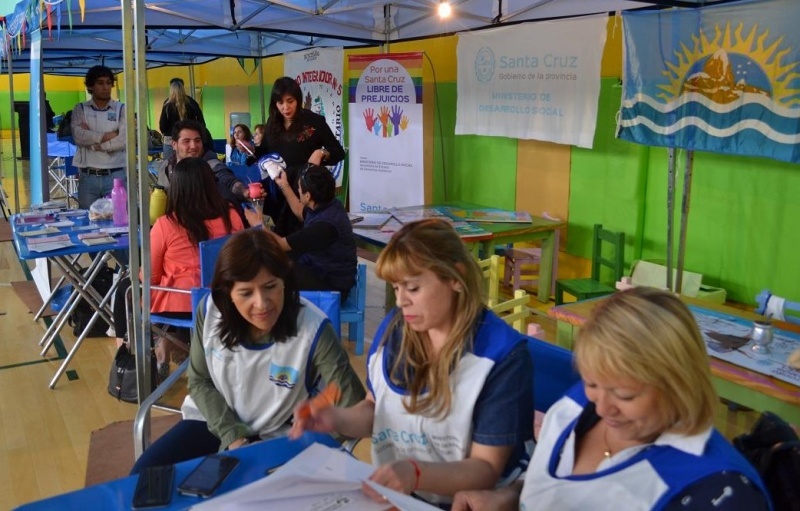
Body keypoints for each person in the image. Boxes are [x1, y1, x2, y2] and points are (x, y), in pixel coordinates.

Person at [451, 287, 772, 511]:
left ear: (680, 385)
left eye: (625, 395)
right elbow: (550, 480)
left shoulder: (715, 490)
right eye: (592, 383)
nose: (603, 408)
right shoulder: (580, 405)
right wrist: (509, 499)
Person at [290, 219, 534, 507]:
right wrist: (336, 419)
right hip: (402, 495)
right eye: (396, 288)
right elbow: (375, 408)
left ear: (456, 277)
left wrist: (416, 473)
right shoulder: (396, 331)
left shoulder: (501, 357)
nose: (401, 301)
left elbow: (485, 470)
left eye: (413, 288)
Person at [130, 229, 366, 474]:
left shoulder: (313, 328)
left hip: (278, 435)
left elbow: (355, 407)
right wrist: (233, 437)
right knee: (144, 475)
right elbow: (200, 381)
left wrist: (314, 439)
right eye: (246, 293)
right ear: (227, 293)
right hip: (214, 422)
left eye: (271, 287)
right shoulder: (209, 311)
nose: (262, 304)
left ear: (285, 281)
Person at [112, 157, 244, 381]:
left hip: (183, 303)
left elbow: (151, 277)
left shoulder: (167, 223)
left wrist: (141, 273)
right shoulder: (231, 215)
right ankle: (165, 350)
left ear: (177, 189)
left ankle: (129, 362)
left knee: (126, 289)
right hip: (224, 299)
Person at [245, 164, 356, 300]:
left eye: (299, 188)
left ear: (308, 196)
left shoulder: (324, 227)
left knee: (274, 270)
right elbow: (299, 210)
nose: (297, 190)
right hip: (321, 270)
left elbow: (280, 244)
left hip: (332, 288)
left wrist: (257, 225)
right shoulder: (327, 204)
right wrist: (283, 184)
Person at [252, 76, 345, 236]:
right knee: (279, 236)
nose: (286, 108)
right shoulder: (273, 123)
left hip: (305, 191)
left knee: (302, 237)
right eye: (280, 103)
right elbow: (264, 153)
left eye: (290, 101)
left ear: (298, 99)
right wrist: (250, 149)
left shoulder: (313, 121)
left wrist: (321, 153)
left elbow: (338, 152)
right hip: (279, 189)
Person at [156, 120, 252, 220]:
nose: (193, 146)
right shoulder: (165, 168)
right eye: (186, 141)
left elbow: (226, 179)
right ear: (174, 144)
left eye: (197, 140)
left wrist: (244, 191)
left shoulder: (211, 164)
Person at [70, 65, 127, 210]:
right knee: (88, 220)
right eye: (100, 83)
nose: (106, 87)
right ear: (90, 86)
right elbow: (78, 136)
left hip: (116, 176)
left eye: (108, 83)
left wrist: (96, 145)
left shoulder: (121, 109)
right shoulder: (80, 109)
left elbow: (124, 139)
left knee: (119, 221)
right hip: (88, 177)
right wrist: (108, 135)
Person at [159, 77, 205, 161]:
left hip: (171, 140)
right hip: (189, 140)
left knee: (169, 165)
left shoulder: (167, 104)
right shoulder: (192, 103)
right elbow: (201, 122)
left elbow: (162, 126)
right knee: (189, 165)